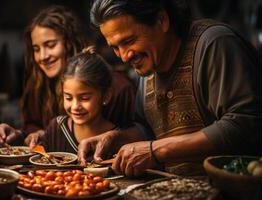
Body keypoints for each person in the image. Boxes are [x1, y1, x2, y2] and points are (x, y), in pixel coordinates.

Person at [78, 0, 262, 176]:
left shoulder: (214, 44)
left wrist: (155, 150)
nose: (124, 57)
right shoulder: (148, 67)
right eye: (115, 48)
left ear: (161, 20)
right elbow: (149, 130)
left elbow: (245, 123)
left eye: (129, 41)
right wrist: (114, 138)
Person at [0, 5, 136, 148]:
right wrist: (18, 136)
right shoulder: (37, 84)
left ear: (69, 43)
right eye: (36, 49)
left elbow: (131, 139)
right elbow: (32, 129)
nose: (42, 57)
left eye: (50, 45)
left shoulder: (118, 88)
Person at [40, 46, 118, 153]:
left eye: (84, 98)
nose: (75, 106)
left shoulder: (117, 138)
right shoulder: (56, 128)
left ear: (106, 96)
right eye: (68, 98)